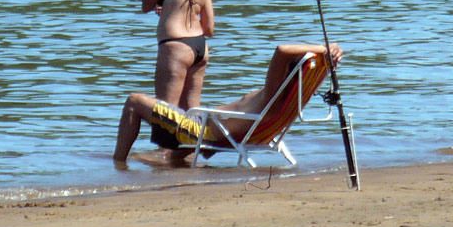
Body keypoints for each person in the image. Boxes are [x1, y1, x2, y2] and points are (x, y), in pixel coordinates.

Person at [112, 42, 344, 162]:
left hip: (203, 131)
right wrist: (329, 54)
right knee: (165, 159)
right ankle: (158, 162)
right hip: (218, 132)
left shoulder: (274, 95)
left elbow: (281, 50)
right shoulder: (294, 96)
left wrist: (322, 48)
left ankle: (118, 165)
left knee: (134, 101)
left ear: (287, 72)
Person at [140, 0, 214, 115]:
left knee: (166, 115)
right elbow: (209, 28)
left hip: (176, 46)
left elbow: (146, 4)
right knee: (191, 114)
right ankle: (192, 144)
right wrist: (170, 10)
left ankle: (166, 145)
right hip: (200, 49)